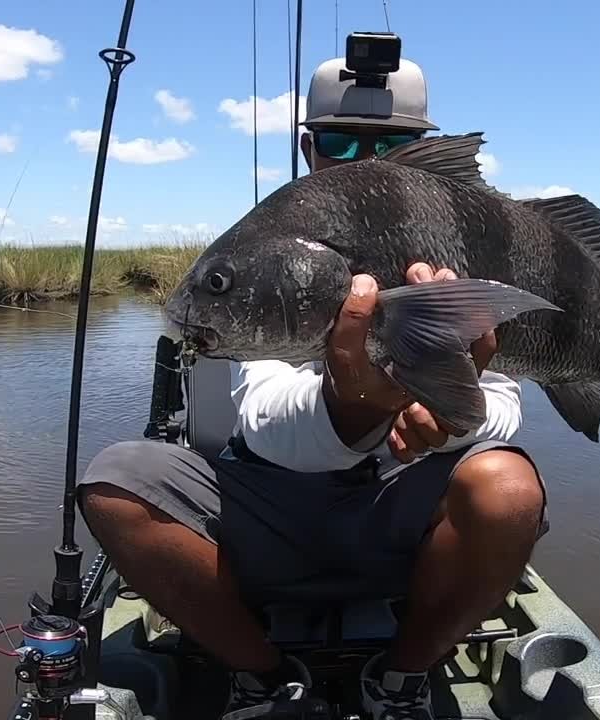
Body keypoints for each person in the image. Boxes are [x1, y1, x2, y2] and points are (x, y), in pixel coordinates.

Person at [77, 55, 549, 720]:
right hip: (271, 516)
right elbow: (266, 419)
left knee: (507, 488)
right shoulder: (271, 245)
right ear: (308, 147)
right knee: (117, 480)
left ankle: (402, 676)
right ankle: (264, 676)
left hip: (403, 528)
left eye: (393, 144)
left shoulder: (462, 239)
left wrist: (450, 414)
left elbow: (500, 403)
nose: (365, 158)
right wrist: (362, 399)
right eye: (340, 140)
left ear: (426, 150)